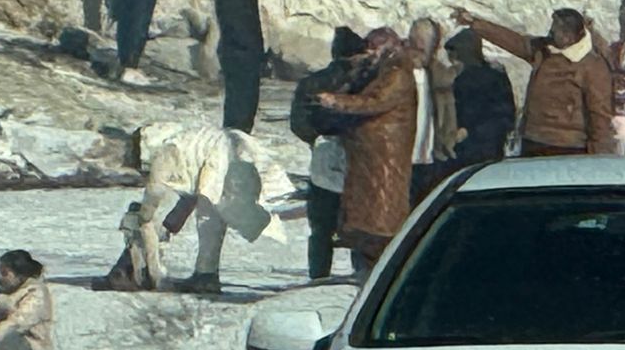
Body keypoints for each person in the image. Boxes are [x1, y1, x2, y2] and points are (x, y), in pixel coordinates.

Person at [101, 123, 292, 295]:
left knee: (210, 218)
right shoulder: (186, 139)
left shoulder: (167, 149)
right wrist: (172, 221)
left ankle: (202, 276)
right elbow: (192, 190)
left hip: (225, 158)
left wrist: (144, 216)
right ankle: (206, 275)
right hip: (238, 151)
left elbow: (156, 190)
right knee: (213, 214)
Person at [314, 28, 419, 276]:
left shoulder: (397, 74)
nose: (369, 53)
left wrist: (336, 101)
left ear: (388, 47)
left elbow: (375, 101)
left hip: (385, 158)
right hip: (371, 156)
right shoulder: (384, 69)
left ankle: (375, 275)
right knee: (366, 222)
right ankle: (366, 269)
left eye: (374, 47)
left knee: (379, 222)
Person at [450, 6, 615, 158]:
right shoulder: (543, 50)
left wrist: (599, 156)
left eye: (554, 30)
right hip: (533, 139)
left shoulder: (593, 66)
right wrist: (475, 24)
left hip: (568, 146)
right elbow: (515, 41)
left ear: (568, 36)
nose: (549, 33)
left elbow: (599, 114)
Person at [289, 27, 369, 281]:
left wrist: (316, 137)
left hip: (323, 157)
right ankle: (363, 274)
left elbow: (298, 124)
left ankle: (318, 276)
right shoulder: (368, 83)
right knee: (362, 224)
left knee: (321, 227)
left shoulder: (312, 83)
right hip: (361, 158)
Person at [215, 0, 270, 131]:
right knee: (240, 108)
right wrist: (252, 50)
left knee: (242, 106)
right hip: (240, 53)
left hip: (241, 52)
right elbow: (237, 21)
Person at [444, 28, 517, 169]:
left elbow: (473, 112)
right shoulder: (496, 76)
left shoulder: (466, 80)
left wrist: (467, 129)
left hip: (475, 147)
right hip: (490, 145)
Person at [406, 18, 445, 203]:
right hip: (403, 158)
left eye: (422, 49)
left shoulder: (438, 75)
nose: (416, 53)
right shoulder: (397, 73)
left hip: (430, 158)